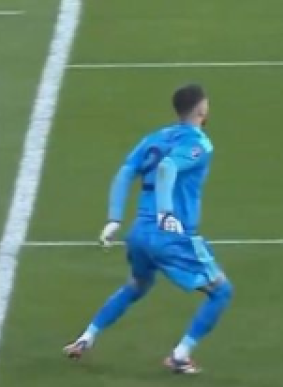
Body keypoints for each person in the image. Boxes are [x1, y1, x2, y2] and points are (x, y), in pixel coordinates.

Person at [62, 84, 230, 374]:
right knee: (221, 291)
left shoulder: (155, 138)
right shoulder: (200, 144)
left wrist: (114, 218)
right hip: (172, 236)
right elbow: (167, 168)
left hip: (139, 234)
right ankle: (180, 356)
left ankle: (86, 337)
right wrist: (165, 213)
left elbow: (125, 171)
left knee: (137, 285)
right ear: (202, 109)